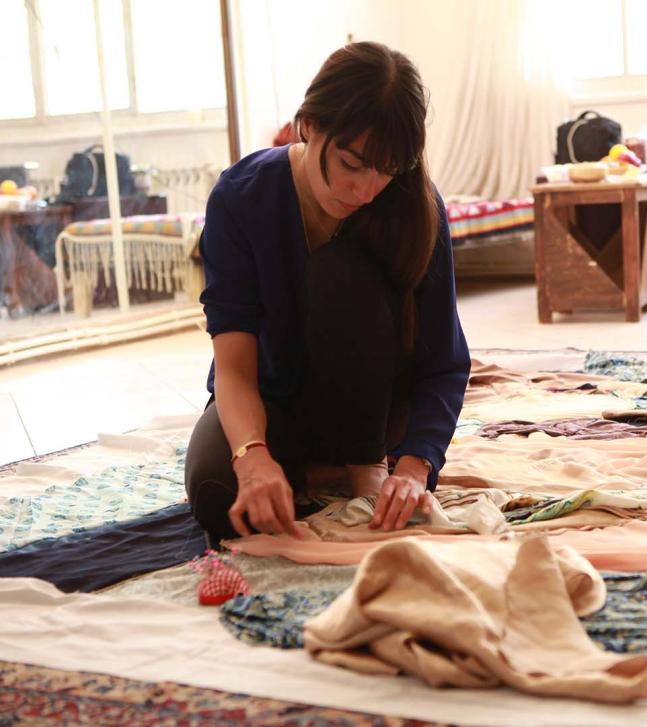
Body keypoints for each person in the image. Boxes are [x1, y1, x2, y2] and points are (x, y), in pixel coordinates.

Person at [184, 42, 470, 546]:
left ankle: (356, 470)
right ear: (308, 126)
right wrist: (253, 457)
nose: (365, 191)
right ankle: (314, 470)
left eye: (386, 171)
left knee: (338, 272)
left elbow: (444, 361)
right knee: (218, 498)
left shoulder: (416, 208)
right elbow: (233, 367)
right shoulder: (241, 197)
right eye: (351, 164)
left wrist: (412, 468)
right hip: (279, 404)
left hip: (375, 410)